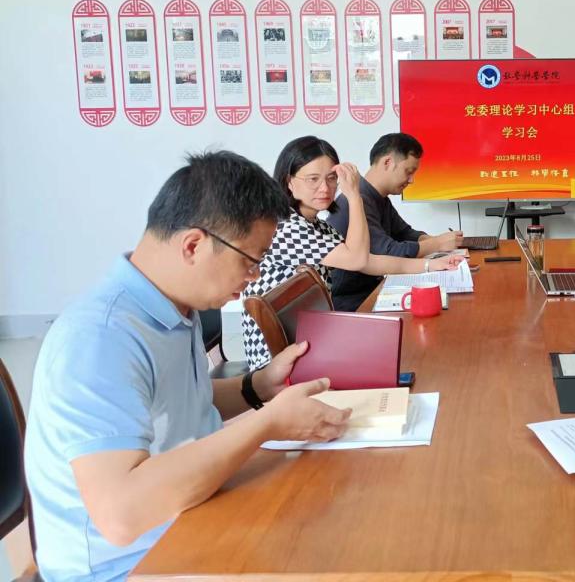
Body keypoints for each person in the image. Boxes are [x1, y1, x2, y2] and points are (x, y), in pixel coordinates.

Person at [24, 152, 353, 582]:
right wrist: (268, 422)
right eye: (250, 261)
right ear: (193, 246)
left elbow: (175, 403)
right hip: (127, 565)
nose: (255, 276)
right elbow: (122, 514)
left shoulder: (173, 303)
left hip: (192, 514)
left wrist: (258, 386)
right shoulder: (99, 339)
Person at [242, 136, 462, 368]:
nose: (325, 188)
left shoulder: (315, 224)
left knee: (405, 347)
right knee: (406, 352)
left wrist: (430, 265)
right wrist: (355, 196)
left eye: (331, 178)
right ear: (289, 182)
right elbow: (358, 259)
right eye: (313, 179)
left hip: (311, 339)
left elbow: (367, 261)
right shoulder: (288, 227)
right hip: (277, 361)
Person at [328, 132, 463, 310]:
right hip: (353, 302)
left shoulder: (379, 198)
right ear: (387, 162)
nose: (411, 180)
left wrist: (434, 240)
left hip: (373, 290)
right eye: (409, 172)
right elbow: (390, 252)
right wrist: (436, 244)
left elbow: (404, 232)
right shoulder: (356, 201)